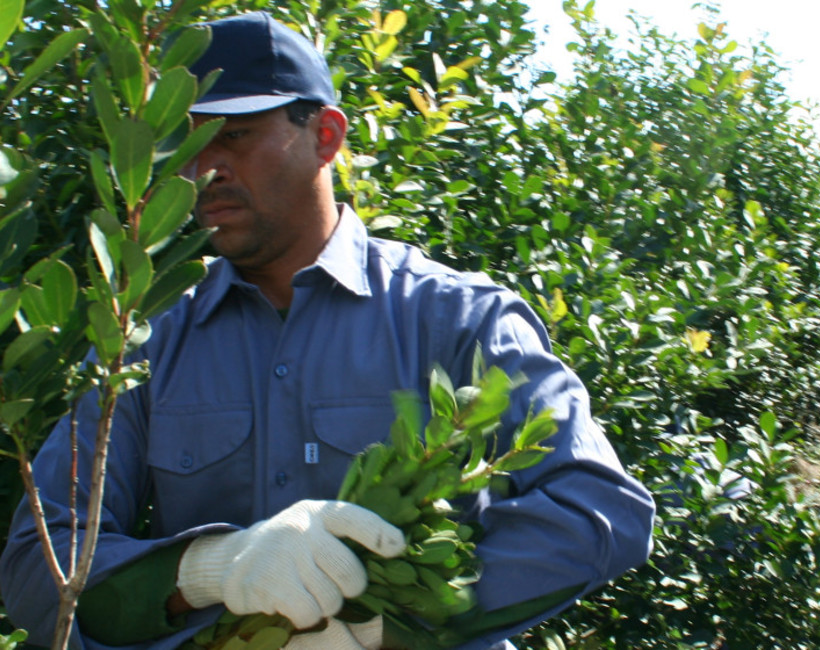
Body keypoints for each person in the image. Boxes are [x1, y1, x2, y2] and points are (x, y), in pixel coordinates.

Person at [0, 12, 655, 650]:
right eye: (185, 144)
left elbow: (597, 505)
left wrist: (391, 627)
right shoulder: (146, 337)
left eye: (233, 135)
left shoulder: (459, 318)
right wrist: (209, 569)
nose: (204, 169)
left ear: (327, 136)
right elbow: (40, 561)